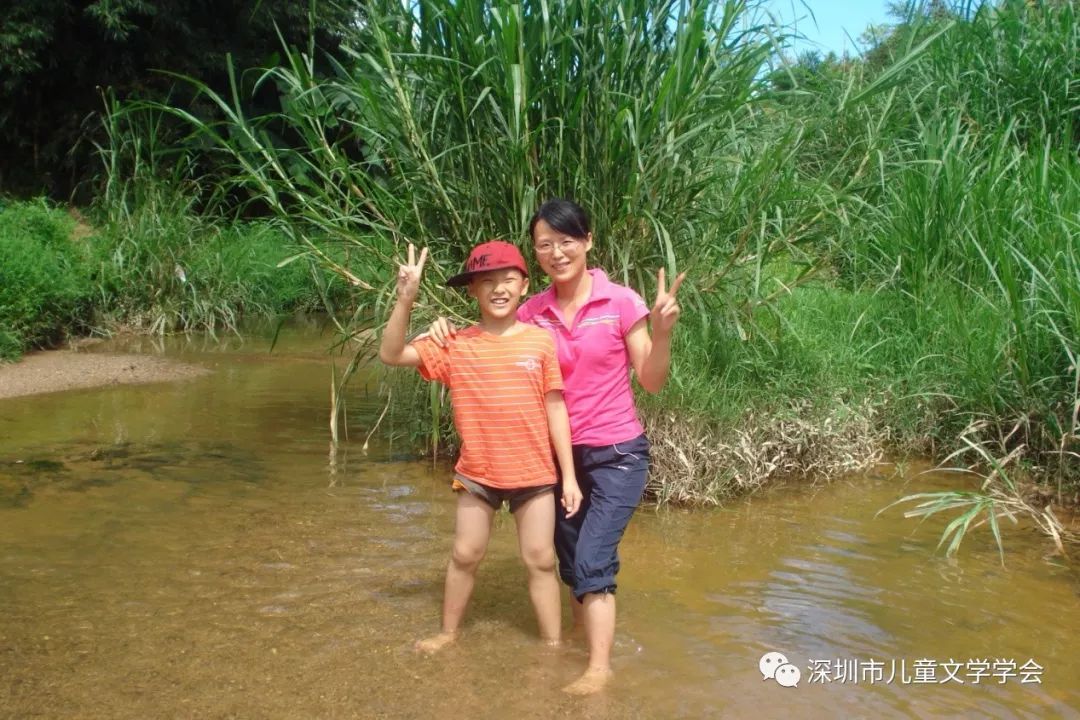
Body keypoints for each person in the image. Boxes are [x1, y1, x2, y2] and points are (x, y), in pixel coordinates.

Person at [428, 199, 685, 694]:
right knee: (568, 565)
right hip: (557, 458)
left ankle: (599, 670)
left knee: (592, 560)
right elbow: (493, 331)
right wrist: (439, 327)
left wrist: (663, 332)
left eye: (567, 241)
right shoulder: (533, 310)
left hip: (616, 453)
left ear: (588, 241)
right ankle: (572, 647)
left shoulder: (622, 302)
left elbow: (651, 381)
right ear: (535, 256)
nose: (556, 252)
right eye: (544, 244)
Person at [379, 240, 584, 654]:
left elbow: (555, 408)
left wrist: (570, 478)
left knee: (541, 560)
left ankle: (552, 645)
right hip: (478, 473)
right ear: (472, 290)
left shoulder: (540, 343)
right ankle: (448, 633)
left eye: (508, 279)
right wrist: (406, 298)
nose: (498, 288)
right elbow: (391, 354)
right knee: (465, 554)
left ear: (524, 285)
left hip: (534, 474)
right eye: (486, 281)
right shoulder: (455, 344)